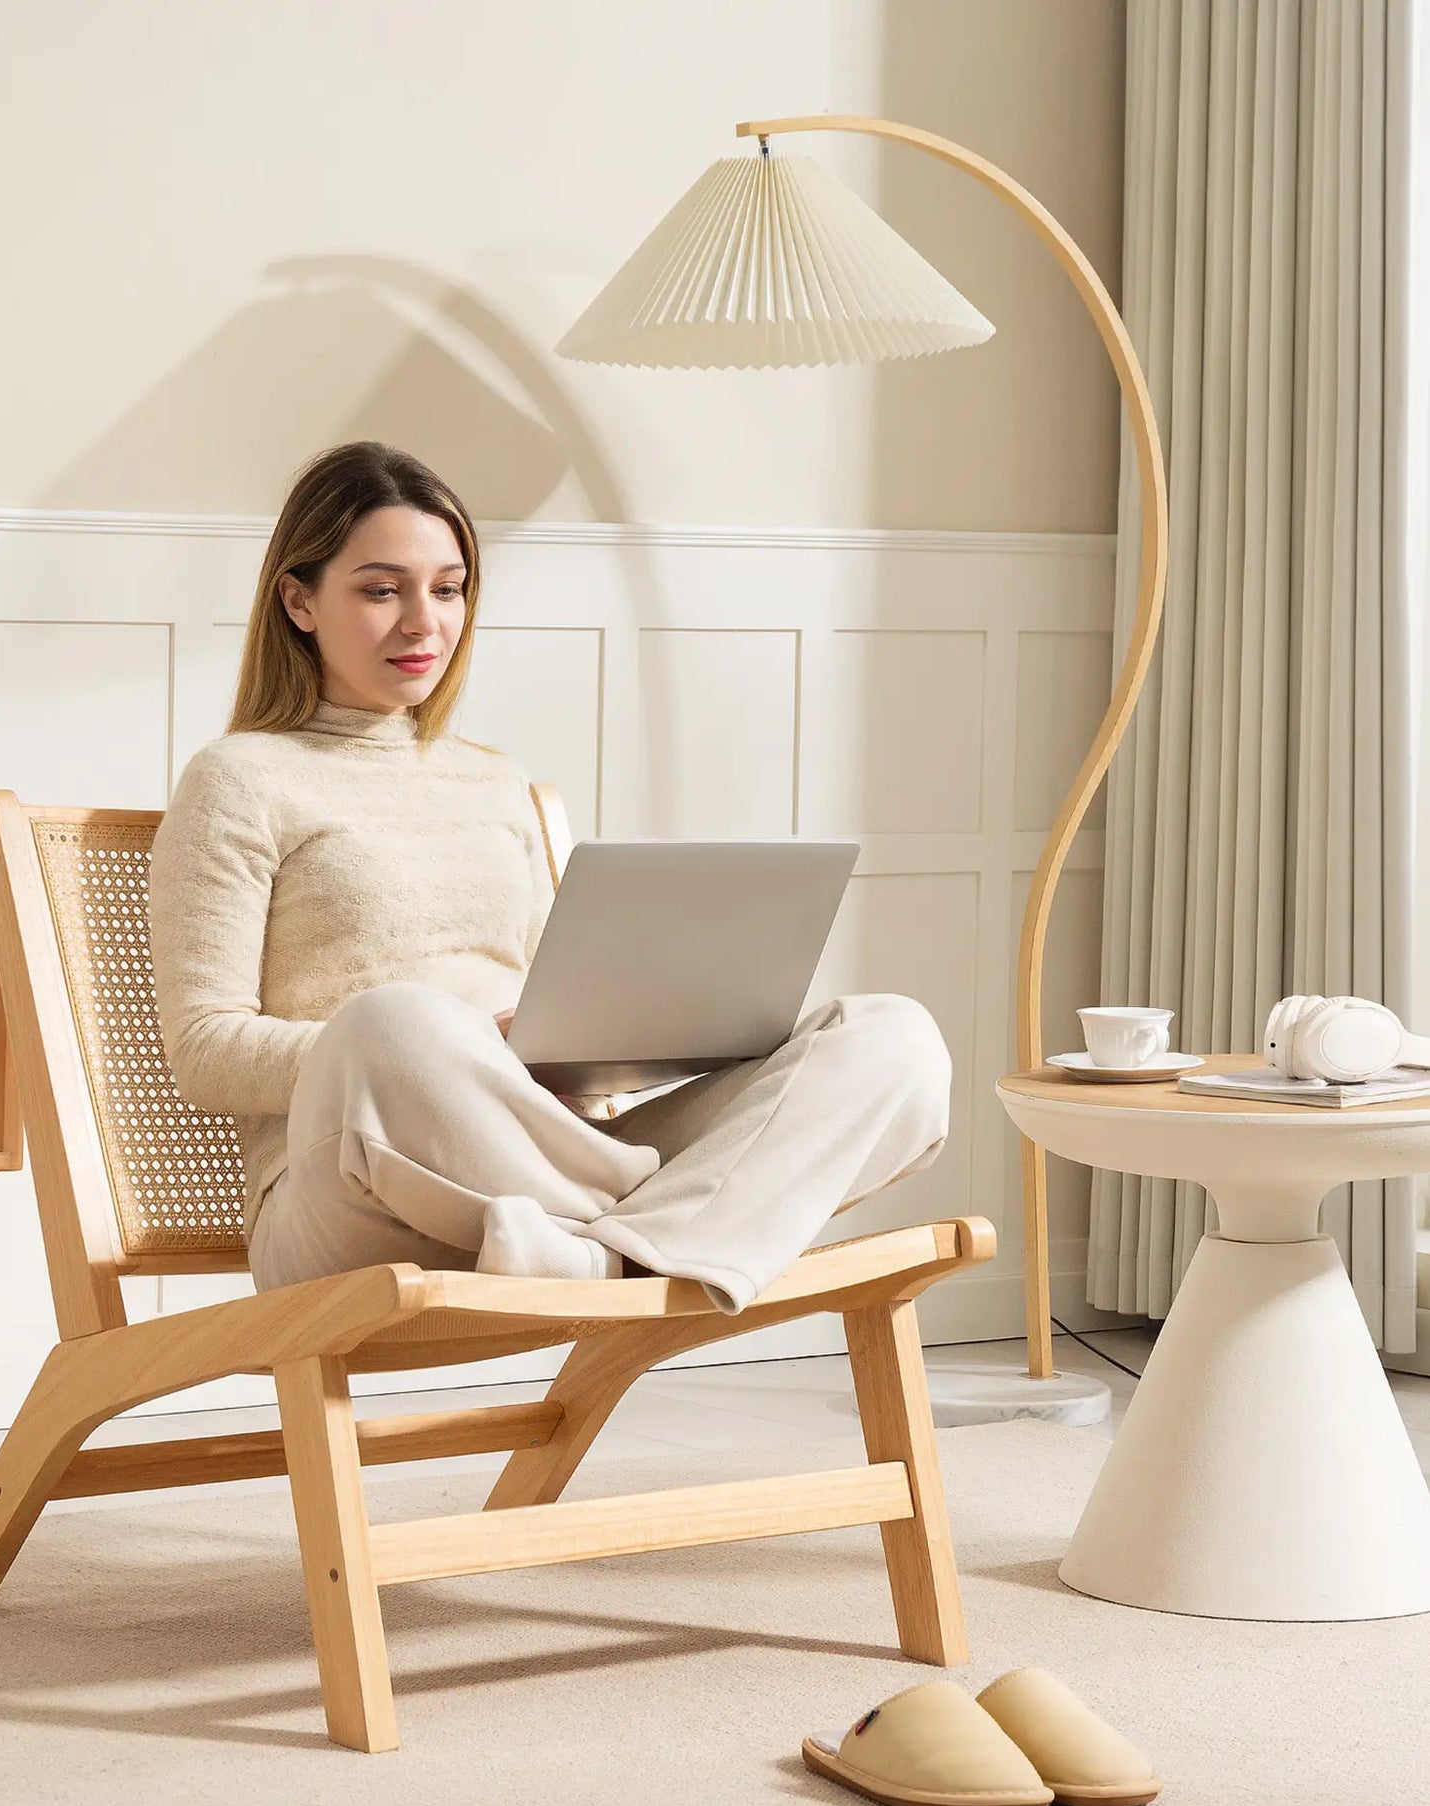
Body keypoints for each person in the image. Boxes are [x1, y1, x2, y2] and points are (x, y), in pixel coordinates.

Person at [146, 441, 952, 1314]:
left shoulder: (494, 781)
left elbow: (553, 1021)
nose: (425, 623)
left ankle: (607, 1256)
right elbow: (204, 1054)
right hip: (347, 1194)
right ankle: (671, 1227)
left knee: (892, 1038)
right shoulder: (239, 777)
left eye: (448, 589)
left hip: (542, 1168)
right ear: (299, 600)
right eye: (382, 590)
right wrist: (453, 1049)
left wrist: (616, 1038)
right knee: (397, 1024)